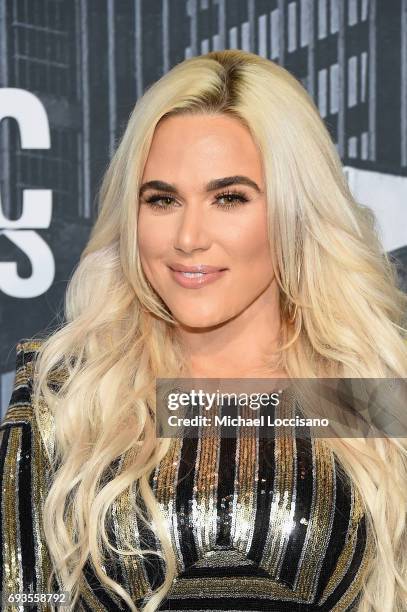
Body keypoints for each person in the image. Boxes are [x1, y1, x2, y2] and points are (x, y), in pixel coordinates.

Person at [1, 49, 407, 612]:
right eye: (162, 200)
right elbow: (26, 597)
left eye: (229, 198)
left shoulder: (364, 389)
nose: (189, 236)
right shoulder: (73, 392)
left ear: (294, 210)